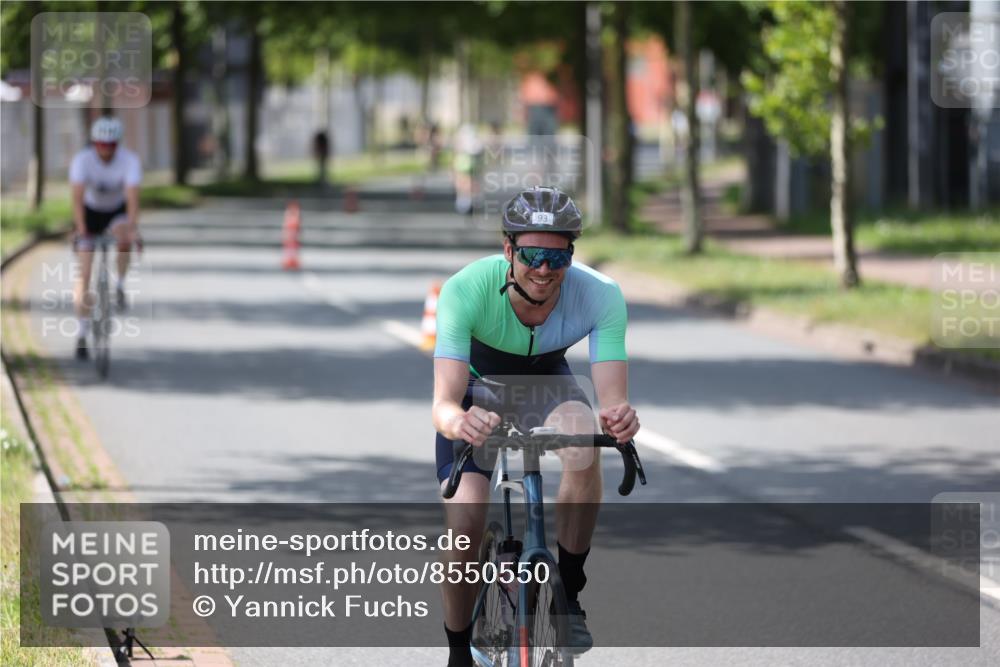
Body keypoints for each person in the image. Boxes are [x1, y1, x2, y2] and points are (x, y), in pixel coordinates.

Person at [432, 186, 640, 666]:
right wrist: (459, 420)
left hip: (545, 382)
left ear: (570, 255)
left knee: (585, 441)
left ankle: (567, 592)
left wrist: (620, 418)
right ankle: (458, 650)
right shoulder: (465, 289)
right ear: (508, 249)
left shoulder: (601, 295)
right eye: (531, 255)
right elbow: (442, 404)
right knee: (465, 526)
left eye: (557, 257)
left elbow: (612, 401)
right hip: (476, 391)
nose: (544, 269)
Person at [70, 116, 142, 360]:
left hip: (115, 212)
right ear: (94, 143)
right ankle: (82, 332)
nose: (106, 149)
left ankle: (119, 284)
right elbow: (77, 199)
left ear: (117, 145)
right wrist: (81, 230)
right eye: (101, 144)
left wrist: (132, 229)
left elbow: (132, 199)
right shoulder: (82, 160)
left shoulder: (129, 160)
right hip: (90, 213)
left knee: (125, 236)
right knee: (85, 273)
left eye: (111, 145)